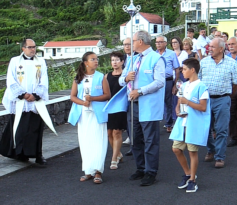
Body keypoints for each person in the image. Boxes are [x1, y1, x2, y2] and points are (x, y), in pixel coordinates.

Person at [119, 30, 165, 186]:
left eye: (132, 41)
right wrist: (126, 78)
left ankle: (151, 172)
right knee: (135, 139)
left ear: (140, 41)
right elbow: (121, 80)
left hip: (148, 104)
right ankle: (141, 168)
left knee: (150, 140)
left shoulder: (156, 59)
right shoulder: (132, 59)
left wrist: (140, 91)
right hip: (133, 105)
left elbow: (159, 82)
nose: (130, 44)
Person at [0, 39, 52, 167]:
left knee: (36, 129)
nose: (33, 49)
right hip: (20, 100)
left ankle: (38, 155)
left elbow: (44, 79)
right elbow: (10, 79)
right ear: (23, 48)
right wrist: (22, 94)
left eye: (34, 47)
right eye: (30, 47)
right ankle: (20, 154)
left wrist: (36, 94)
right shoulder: (15, 61)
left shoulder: (41, 61)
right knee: (20, 129)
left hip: (34, 101)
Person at [68, 51, 111, 184]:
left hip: (97, 114)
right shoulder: (78, 78)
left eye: (97, 59)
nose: (96, 61)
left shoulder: (101, 77)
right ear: (86, 63)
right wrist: (83, 102)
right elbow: (73, 96)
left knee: (99, 141)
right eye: (93, 59)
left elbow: (107, 95)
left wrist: (93, 99)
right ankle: (88, 170)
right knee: (85, 141)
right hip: (83, 115)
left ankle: (98, 171)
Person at [169, 58, 210, 193]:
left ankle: (192, 179)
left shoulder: (201, 86)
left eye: (185, 69)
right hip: (183, 122)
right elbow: (180, 100)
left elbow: (203, 107)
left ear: (192, 70)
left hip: (194, 123)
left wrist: (187, 102)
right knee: (176, 148)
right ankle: (188, 173)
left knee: (192, 151)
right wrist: (177, 109)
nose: (182, 71)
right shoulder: (184, 85)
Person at [199, 38, 237, 168]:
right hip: (206, 99)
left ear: (221, 49)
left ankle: (220, 157)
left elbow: (236, 84)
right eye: (209, 47)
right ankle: (211, 149)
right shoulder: (203, 62)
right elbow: (198, 81)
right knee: (206, 128)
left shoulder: (231, 63)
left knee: (221, 129)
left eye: (212, 47)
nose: (209, 49)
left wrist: (227, 96)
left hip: (223, 99)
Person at [106, 51, 127, 169]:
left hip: (120, 107)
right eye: (112, 60)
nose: (114, 62)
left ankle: (114, 159)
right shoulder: (107, 76)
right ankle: (118, 153)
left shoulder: (125, 76)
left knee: (117, 132)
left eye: (117, 60)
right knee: (109, 132)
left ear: (122, 62)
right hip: (109, 107)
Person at [156, 35, 180, 133]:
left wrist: (175, 85)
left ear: (165, 43)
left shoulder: (171, 54)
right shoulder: (153, 54)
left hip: (168, 80)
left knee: (168, 102)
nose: (158, 44)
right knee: (156, 102)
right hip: (156, 81)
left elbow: (177, 69)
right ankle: (155, 123)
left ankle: (169, 123)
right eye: (157, 42)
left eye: (160, 42)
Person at [171, 36, 188, 124]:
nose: (174, 44)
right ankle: (174, 117)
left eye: (176, 42)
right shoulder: (171, 53)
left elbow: (183, 66)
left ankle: (182, 115)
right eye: (173, 43)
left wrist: (176, 68)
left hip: (181, 76)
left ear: (179, 43)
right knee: (173, 98)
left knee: (180, 95)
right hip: (172, 76)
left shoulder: (184, 53)